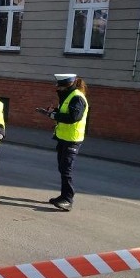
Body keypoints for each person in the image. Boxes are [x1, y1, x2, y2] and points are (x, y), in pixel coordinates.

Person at [37, 74, 89, 212]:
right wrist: (53, 111)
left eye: (60, 86)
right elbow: (65, 112)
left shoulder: (77, 97)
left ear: (68, 85)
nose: (57, 88)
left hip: (72, 139)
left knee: (66, 170)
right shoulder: (68, 96)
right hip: (63, 138)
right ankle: (63, 196)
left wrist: (54, 115)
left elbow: (73, 117)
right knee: (62, 168)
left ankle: (68, 199)